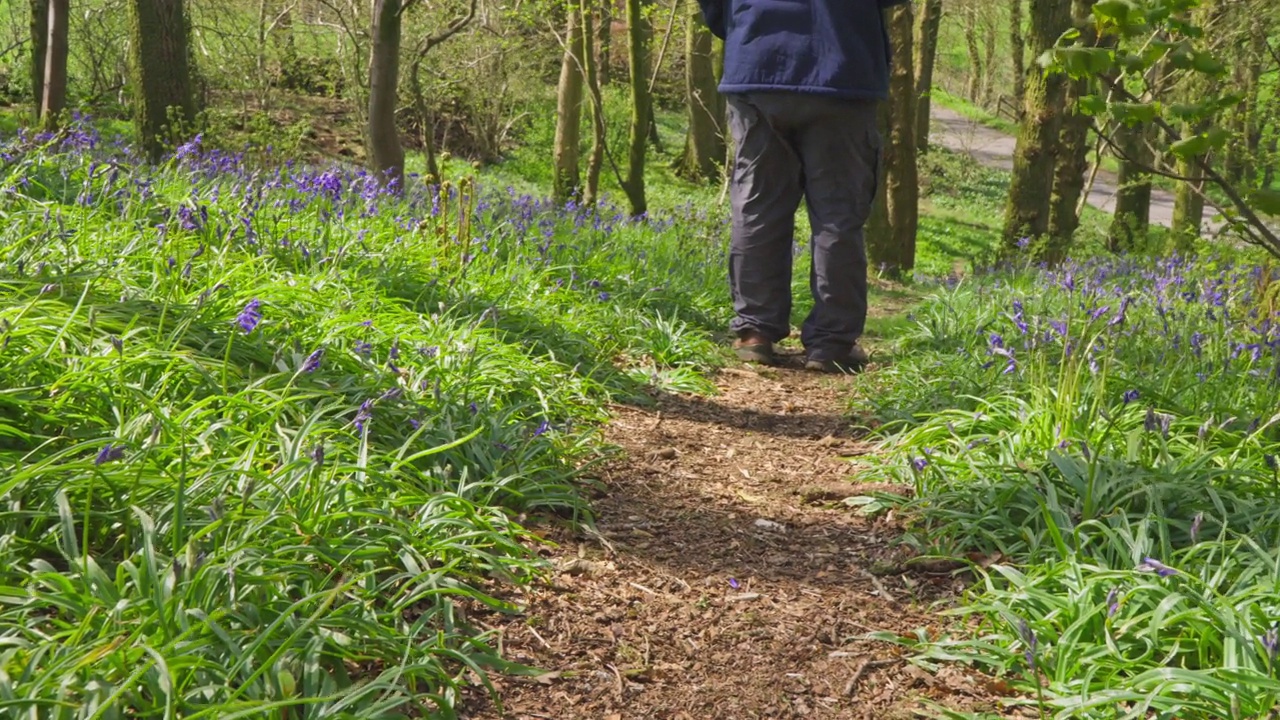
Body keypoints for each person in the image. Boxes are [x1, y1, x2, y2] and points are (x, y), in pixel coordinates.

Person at [696, 0, 906, 373]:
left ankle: (755, 333)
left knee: (757, 206)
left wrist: (746, 25)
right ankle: (831, 342)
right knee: (838, 215)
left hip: (758, 63)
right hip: (842, 68)